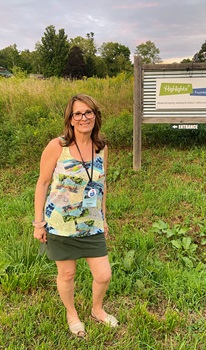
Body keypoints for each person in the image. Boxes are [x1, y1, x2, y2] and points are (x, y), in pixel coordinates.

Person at [33, 93, 118, 339]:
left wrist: (103, 216)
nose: (83, 118)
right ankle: (72, 314)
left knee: (103, 275)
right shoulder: (57, 146)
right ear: (70, 120)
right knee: (67, 274)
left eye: (88, 112)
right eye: (78, 113)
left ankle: (97, 310)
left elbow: (101, 185)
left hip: (91, 224)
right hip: (60, 224)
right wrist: (39, 223)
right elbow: (43, 183)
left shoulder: (102, 148)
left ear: (95, 116)